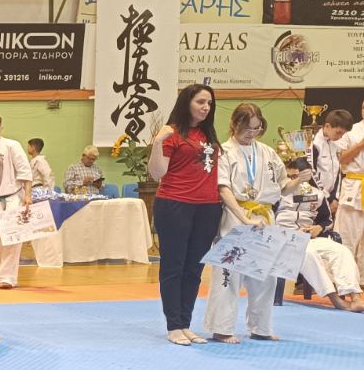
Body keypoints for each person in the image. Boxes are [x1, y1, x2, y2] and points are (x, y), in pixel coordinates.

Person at [205, 104, 308, 343]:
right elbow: (223, 188)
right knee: (229, 274)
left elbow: (283, 188)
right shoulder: (224, 152)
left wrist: (298, 181)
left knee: (265, 275)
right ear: (234, 125)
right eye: (247, 128)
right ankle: (222, 328)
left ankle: (261, 327)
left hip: (264, 217)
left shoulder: (268, 153)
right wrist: (243, 218)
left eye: (256, 128)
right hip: (236, 216)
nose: (251, 133)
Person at [147, 84, 223, 346]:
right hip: (175, 204)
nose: (206, 107)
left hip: (208, 207)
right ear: (186, 103)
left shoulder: (208, 134)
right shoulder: (172, 133)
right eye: (200, 102)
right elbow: (157, 173)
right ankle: (173, 325)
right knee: (174, 265)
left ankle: (186, 323)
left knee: (195, 268)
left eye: (209, 103)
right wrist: (158, 142)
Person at [276, 160, 364, 313]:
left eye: (297, 176)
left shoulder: (317, 194)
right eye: (290, 176)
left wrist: (318, 228)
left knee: (341, 251)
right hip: (283, 239)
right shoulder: (278, 194)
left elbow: (326, 220)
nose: (293, 180)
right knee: (308, 253)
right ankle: (335, 299)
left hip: (309, 238)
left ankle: (354, 295)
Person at [0, 114, 32, 290]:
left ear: (1, 127)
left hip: (12, 198)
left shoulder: (12, 145)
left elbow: (25, 172)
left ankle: (8, 277)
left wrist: (28, 196)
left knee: (12, 239)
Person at [335, 114, 364, 275]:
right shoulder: (351, 132)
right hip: (354, 187)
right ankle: (344, 278)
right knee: (347, 236)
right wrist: (360, 145)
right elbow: (340, 159)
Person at [310, 110, 349, 199]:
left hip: (331, 197)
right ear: (327, 126)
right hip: (316, 197)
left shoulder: (336, 145)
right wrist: (327, 198)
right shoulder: (314, 144)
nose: (340, 137)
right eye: (338, 133)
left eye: (343, 134)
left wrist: (335, 197)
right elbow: (312, 174)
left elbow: (338, 173)